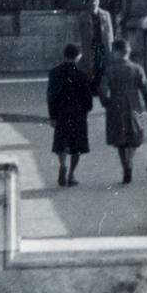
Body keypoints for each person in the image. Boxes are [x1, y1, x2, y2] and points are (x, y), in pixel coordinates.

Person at [99, 36, 147, 184]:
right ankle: (130, 160)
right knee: (135, 137)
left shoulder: (109, 69)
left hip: (116, 105)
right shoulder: (137, 69)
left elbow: (102, 90)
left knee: (120, 139)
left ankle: (125, 166)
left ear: (115, 51)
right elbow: (146, 90)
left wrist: (106, 103)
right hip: (135, 105)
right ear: (128, 52)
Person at [47, 42, 93, 187]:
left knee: (62, 142)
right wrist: (87, 110)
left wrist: (52, 116)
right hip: (78, 114)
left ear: (64, 54)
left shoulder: (54, 73)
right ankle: (72, 174)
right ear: (78, 57)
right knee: (77, 146)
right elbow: (88, 97)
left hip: (61, 113)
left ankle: (63, 164)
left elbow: (51, 96)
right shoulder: (82, 75)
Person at [79, 0, 114, 91]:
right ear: (88, 3)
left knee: (103, 65)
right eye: (92, 1)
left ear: (99, 2)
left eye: (96, 1)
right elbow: (80, 31)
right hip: (90, 44)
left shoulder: (105, 14)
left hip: (103, 43)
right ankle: (93, 87)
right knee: (91, 65)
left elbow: (110, 30)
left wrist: (110, 43)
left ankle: (102, 87)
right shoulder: (83, 16)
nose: (94, 3)